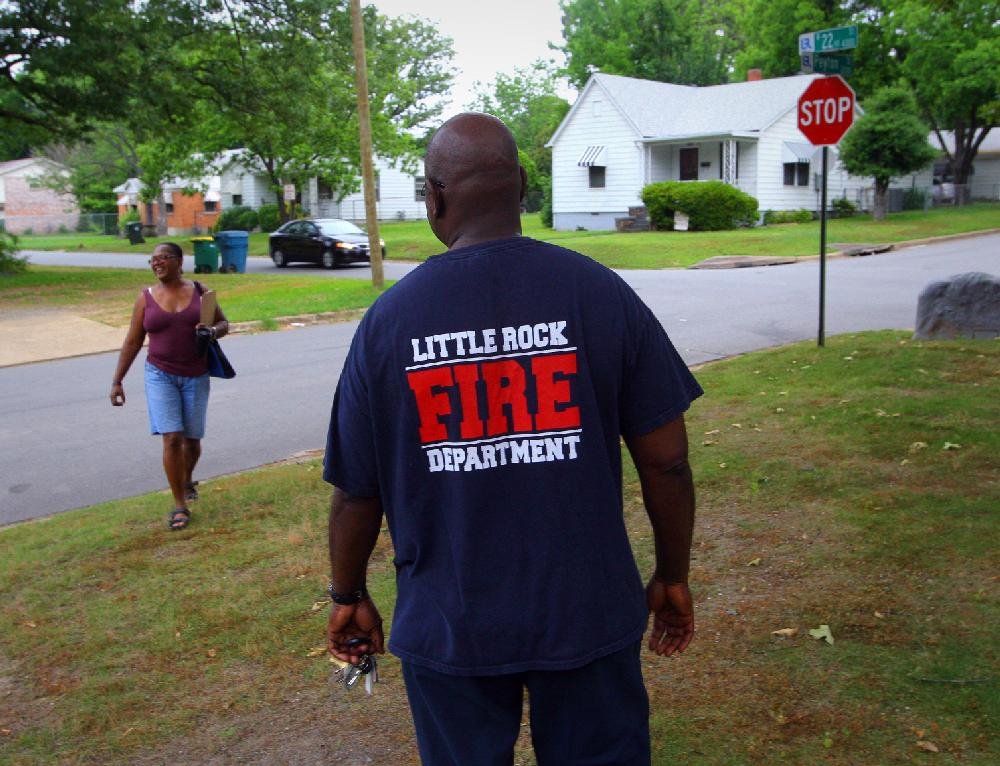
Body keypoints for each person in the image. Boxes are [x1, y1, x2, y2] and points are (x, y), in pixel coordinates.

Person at [324, 113, 702, 764]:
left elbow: (358, 493)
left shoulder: (388, 323)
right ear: (523, 186)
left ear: (435, 197)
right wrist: (672, 575)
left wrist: (347, 595)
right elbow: (666, 463)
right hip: (586, 609)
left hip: (452, 623)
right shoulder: (601, 294)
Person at [110, 242, 229, 530]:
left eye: (164, 258)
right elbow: (133, 341)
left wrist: (211, 331)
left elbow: (224, 323)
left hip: (195, 374)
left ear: (179, 261)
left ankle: (187, 478)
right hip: (159, 373)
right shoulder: (145, 298)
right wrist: (117, 380)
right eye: (153, 259)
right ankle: (179, 504)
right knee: (172, 438)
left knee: (192, 441)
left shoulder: (201, 292)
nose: (157, 263)